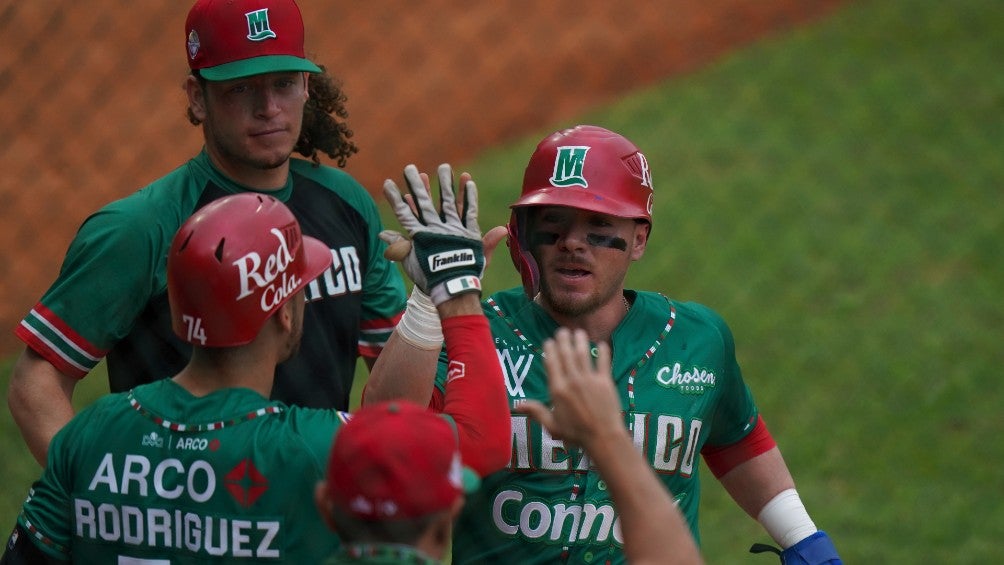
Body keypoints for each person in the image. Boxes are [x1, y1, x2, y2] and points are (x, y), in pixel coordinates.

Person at [365, 125, 843, 564]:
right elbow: (382, 432)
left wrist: (803, 539)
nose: (573, 242)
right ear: (524, 233)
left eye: (598, 225)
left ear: (638, 239)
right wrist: (431, 301)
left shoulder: (697, 339)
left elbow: (737, 440)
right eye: (553, 223)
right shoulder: (474, 331)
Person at [0, 190, 509, 563]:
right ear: (285, 313)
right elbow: (480, 444)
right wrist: (454, 292)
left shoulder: (89, 436)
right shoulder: (315, 447)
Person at [8, 0, 407, 467]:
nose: (269, 108)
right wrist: (96, 499)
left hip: (308, 512)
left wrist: (435, 301)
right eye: (242, 88)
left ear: (306, 87)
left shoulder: (346, 204)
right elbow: (36, 382)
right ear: (198, 97)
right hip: (188, 518)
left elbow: (393, 384)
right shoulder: (143, 227)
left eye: (283, 83)